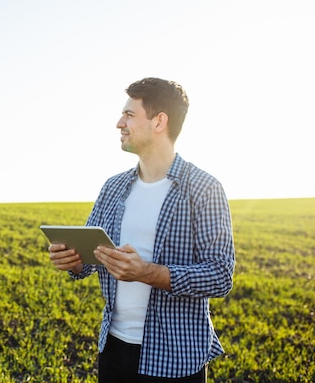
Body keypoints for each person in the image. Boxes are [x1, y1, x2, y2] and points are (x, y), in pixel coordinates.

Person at [48, 77, 235, 382]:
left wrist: (146, 272)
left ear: (159, 121)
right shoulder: (113, 187)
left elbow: (220, 276)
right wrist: (73, 260)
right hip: (114, 350)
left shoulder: (204, 188)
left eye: (130, 115)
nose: (119, 123)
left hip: (175, 358)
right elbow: (90, 258)